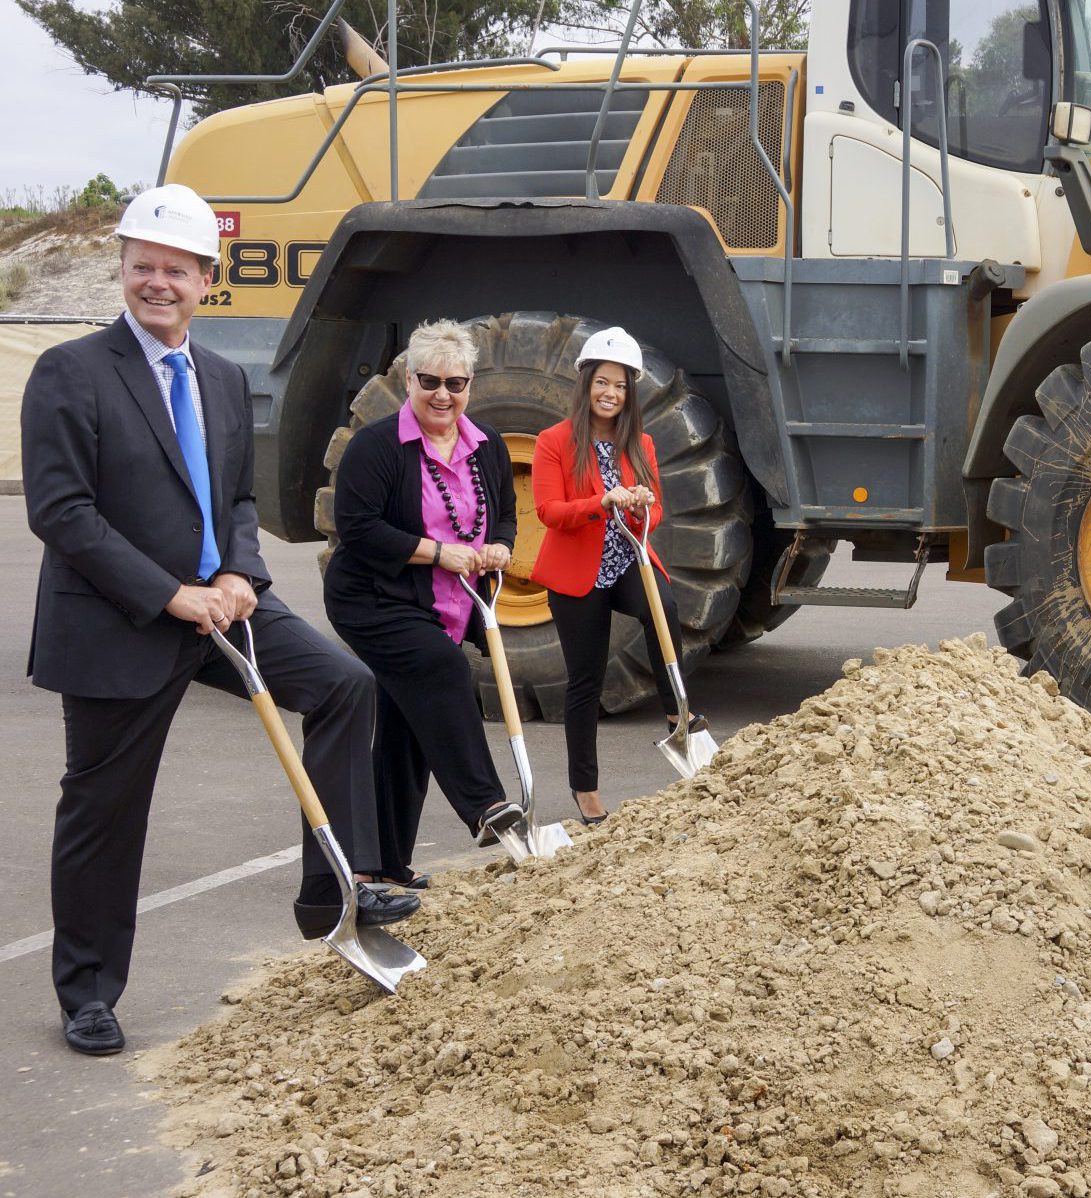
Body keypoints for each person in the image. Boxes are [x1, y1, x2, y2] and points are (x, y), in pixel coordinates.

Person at [22, 184, 416, 1057]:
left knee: (346, 687)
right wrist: (172, 595)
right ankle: (88, 992)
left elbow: (237, 496)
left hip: (227, 604)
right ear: (122, 269)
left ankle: (335, 892)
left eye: (176, 270)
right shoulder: (71, 372)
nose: (157, 283)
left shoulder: (225, 379)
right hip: (121, 622)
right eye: (142, 267)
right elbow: (61, 513)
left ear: (208, 279)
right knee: (105, 811)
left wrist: (238, 570)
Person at [323, 319, 527, 885]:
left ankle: (382, 868)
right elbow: (357, 528)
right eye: (430, 381)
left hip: (445, 603)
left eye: (455, 383)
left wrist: (499, 546)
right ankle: (486, 805)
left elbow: (505, 513)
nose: (443, 394)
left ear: (470, 386)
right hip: (372, 598)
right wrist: (439, 554)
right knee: (440, 669)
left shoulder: (484, 447)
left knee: (407, 727)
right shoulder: (378, 446)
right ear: (409, 380)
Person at [530, 327, 690, 825]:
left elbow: (656, 508)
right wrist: (600, 501)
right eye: (602, 382)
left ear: (629, 393)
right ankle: (585, 788)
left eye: (620, 386)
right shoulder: (554, 441)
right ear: (586, 383)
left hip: (626, 559)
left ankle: (679, 715)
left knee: (662, 608)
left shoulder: (639, 442)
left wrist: (644, 504)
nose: (610, 393)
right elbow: (548, 511)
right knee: (586, 681)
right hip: (576, 574)